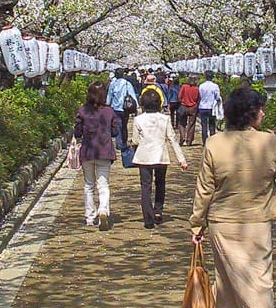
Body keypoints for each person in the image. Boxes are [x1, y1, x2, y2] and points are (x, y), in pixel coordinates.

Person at [189, 85, 276, 308]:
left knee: (225, 274)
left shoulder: (214, 143)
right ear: (252, 113)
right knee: (259, 274)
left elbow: (204, 189)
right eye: (260, 108)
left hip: (222, 222)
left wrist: (196, 223)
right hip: (256, 220)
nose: (263, 113)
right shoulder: (269, 141)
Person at [131, 88, 188, 228]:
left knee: (146, 186)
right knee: (160, 184)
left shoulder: (138, 119)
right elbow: (173, 139)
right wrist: (181, 159)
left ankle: (148, 218)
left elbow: (135, 141)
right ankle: (158, 210)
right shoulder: (165, 119)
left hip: (144, 157)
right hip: (161, 156)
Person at [74, 81, 121, 230]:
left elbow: (77, 132)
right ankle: (103, 210)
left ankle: (90, 216)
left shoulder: (82, 111)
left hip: (88, 151)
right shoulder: (109, 111)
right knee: (103, 184)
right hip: (104, 151)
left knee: (89, 185)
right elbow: (115, 132)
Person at [106, 68, 139, 145]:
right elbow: (132, 95)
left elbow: (109, 97)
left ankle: (119, 143)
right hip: (125, 108)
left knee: (117, 125)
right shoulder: (127, 84)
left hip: (115, 108)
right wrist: (136, 107)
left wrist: (107, 105)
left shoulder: (113, 84)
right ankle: (124, 141)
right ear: (123, 75)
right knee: (124, 125)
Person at [197, 70, 222, 145]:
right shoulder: (215, 86)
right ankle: (212, 141)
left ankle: (204, 141)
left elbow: (199, 96)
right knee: (212, 125)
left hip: (202, 107)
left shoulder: (201, 86)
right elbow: (217, 97)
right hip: (211, 108)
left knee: (204, 125)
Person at [177, 73, 200, 145]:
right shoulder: (197, 88)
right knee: (191, 124)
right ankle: (189, 140)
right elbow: (198, 99)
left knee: (181, 123)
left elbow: (179, 96)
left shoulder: (184, 87)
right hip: (193, 107)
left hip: (184, 106)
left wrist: (182, 102)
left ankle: (182, 137)